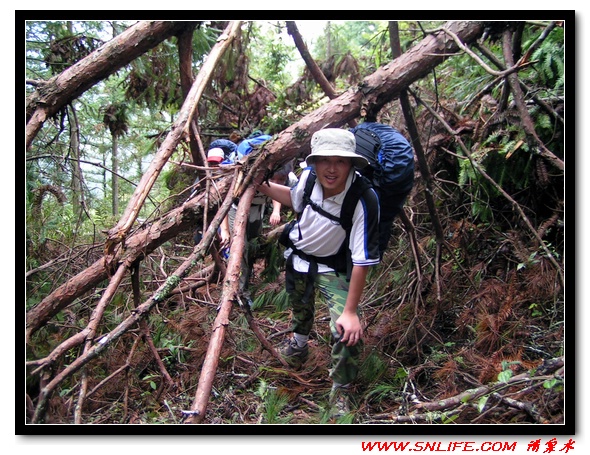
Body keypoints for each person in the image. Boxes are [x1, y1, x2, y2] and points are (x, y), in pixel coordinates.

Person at [256, 128, 380, 416]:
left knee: (345, 331)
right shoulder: (310, 179)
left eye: (341, 161)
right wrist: (261, 186)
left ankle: (341, 388)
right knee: (299, 305)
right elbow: (295, 201)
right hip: (297, 259)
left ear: (352, 163)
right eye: (325, 160)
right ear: (315, 162)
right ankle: (299, 345)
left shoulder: (364, 198)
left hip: (333, 268)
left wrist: (351, 312)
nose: (332, 168)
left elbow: (363, 259)